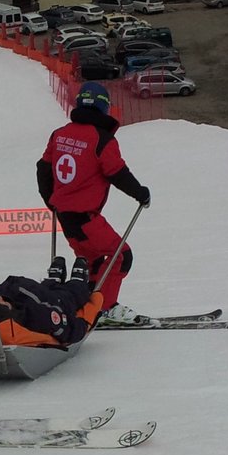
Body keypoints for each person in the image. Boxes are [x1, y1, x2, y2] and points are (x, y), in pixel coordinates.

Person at [36, 80, 151, 324]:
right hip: (86, 218)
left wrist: (51, 201)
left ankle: (87, 304)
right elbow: (116, 172)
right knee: (121, 256)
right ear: (104, 108)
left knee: (95, 261)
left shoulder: (59, 134)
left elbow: (43, 168)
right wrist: (140, 192)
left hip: (66, 219)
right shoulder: (102, 140)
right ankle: (106, 308)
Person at [0, 255, 102, 349]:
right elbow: (70, 330)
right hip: (34, 294)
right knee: (68, 296)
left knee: (57, 296)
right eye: (3, 304)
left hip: (18, 288)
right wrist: (84, 324)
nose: (0, 299)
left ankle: (56, 280)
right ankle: (75, 282)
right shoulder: (36, 315)